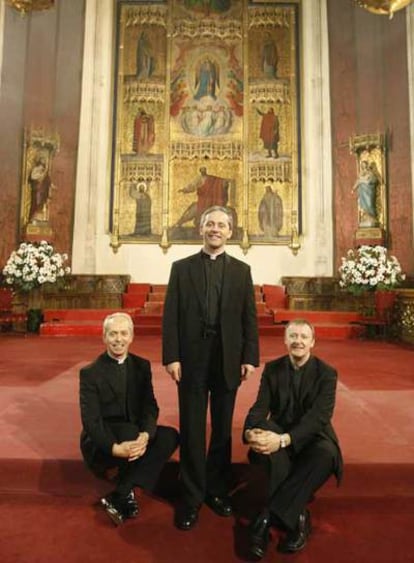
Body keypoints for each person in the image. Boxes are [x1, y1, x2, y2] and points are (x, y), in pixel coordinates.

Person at [163, 205, 259, 531]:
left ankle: (216, 490)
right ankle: (190, 496)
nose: (216, 229)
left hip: (227, 356)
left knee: (221, 428)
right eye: (210, 224)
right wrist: (171, 356)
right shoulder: (181, 268)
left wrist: (249, 357)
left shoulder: (242, 271)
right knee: (191, 427)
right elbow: (171, 317)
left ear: (230, 231)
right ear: (200, 229)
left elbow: (249, 318)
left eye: (222, 224)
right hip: (191, 356)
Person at [243, 319, 343, 559]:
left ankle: (265, 519)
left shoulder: (327, 373)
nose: (298, 341)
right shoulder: (273, 369)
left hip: (311, 436)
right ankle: (298, 516)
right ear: (285, 341)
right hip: (278, 431)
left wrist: (285, 440)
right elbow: (260, 408)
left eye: (304, 337)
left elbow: (319, 418)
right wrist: (249, 432)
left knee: (326, 455)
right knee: (267, 442)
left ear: (312, 343)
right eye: (293, 336)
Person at [79, 312, 179, 526]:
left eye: (124, 333)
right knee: (129, 432)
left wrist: (146, 434)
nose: (118, 339)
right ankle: (127, 492)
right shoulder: (90, 373)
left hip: (133, 434)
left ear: (132, 336)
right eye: (113, 334)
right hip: (104, 441)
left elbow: (150, 406)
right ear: (104, 337)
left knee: (170, 436)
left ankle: (123, 491)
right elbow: (91, 421)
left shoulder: (142, 367)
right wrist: (115, 448)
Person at [352, 159, 381, 227]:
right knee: (364, 206)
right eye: (362, 166)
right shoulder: (361, 174)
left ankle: (372, 217)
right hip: (363, 193)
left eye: (365, 166)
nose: (364, 167)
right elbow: (358, 181)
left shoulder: (370, 173)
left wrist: (367, 181)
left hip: (369, 192)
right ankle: (366, 216)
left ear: (367, 166)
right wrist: (353, 189)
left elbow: (375, 180)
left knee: (370, 204)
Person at [28, 155, 52, 223]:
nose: (43, 164)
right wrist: (40, 175)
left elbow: (48, 181)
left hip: (43, 192)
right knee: (36, 203)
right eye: (42, 161)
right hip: (37, 190)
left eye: (44, 162)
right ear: (39, 162)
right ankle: (33, 217)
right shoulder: (36, 169)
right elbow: (32, 177)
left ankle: (40, 218)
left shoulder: (44, 171)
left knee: (42, 204)